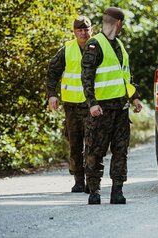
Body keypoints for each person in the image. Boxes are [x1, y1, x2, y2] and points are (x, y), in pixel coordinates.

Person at [81, 6, 143, 205]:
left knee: (120, 151)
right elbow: (86, 78)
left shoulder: (119, 46)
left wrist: (134, 97)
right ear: (118, 23)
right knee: (95, 150)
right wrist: (92, 103)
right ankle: (94, 191)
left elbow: (126, 76)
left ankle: (117, 191)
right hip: (101, 109)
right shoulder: (95, 45)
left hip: (121, 109)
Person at [47, 15, 93, 193]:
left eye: (86, 29)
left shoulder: (97, 46)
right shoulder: (67, 49)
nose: (83, 32)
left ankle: (92, 181)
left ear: (91, 29)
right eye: (79, 30)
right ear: (74, 32)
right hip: (72, 106)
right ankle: (78, 180)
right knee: (75, 144)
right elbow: (52, 71)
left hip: (92, 105)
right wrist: (52, 95)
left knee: (92, 144)